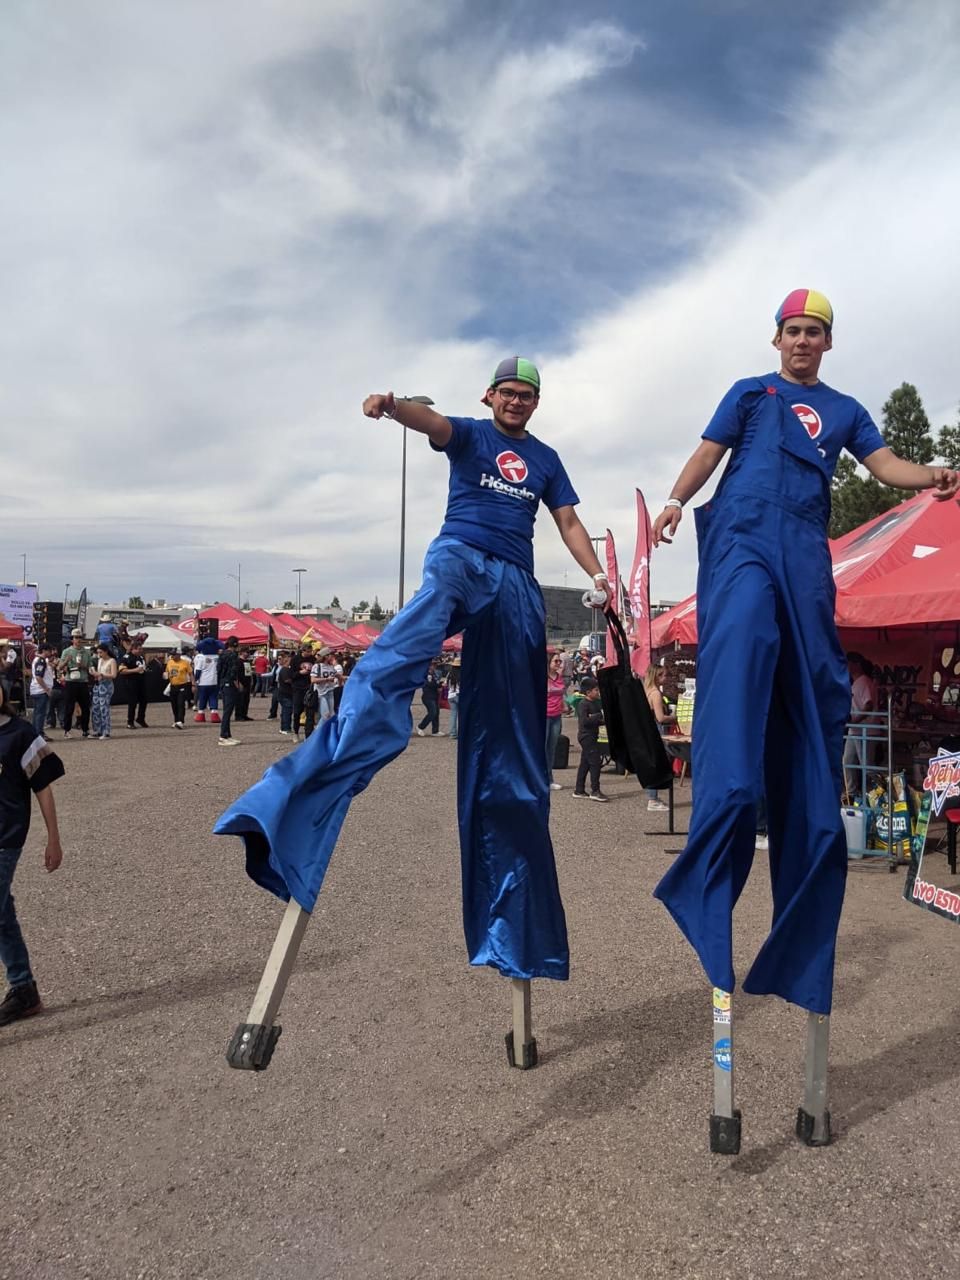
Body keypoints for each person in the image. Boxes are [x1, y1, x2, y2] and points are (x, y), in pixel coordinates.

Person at [215, 356, 610, 985]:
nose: (517, 402)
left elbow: (567, 521)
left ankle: (511, 891)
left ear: (536, 404)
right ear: (490, 396)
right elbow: (434, 424)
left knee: (512, 730)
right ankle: (348, 742)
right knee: (403, 647)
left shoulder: (546, 458)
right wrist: (394, 406)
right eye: (508, 393)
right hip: (461, 556)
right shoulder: (473, 434)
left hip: (514, 579)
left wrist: (595, 573)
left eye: (527, 396)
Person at [651, 288, 960, 1016]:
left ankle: (795, 791)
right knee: (750, 631)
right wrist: (672, 500)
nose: (802, 341)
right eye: (793, 330)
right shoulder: (751, 394)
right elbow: (707, 452)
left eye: (814, 332)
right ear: (777, 339)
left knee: (816, 677)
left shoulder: (846, 409)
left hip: (805, 548)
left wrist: (935, 475)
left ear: (827, 342)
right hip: (745, 537)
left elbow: (885, 466)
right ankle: (731, 777)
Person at [0, 679, 65, 1027]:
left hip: (4, 838)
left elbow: (43, 788)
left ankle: (23, 989)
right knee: (2, 916)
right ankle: (24, 990)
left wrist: (53, 838)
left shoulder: (20, 734)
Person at [842, 652, 878, 797]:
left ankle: (875, 794)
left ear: (856, 664)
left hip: (865, 730)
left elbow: (868, 705)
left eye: (849, 663)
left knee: (867, 765)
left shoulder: (864, 682)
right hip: (856, 730)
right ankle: (851, 792)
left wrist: (854, 720)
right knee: (847, 761)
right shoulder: (857, 682)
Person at [643, 664, 675, 811]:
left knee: (651, 763)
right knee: (657, 762)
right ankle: (653, 799)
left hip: (647, 728)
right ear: (657, 676)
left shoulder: (645, 690)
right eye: (663, 675)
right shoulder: (655, 693)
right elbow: (660, 718)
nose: (666, 678)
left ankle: (653, 796)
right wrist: (674, 717)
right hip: (656, 729)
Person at [572, 677, 608, 801]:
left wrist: (603, 720)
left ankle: (579, 789)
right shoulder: (583, 704)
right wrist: (599, 715)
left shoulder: (594, 704)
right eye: (596, 690)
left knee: (585, 764)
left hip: (593, 735)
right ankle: (595, 790)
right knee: (595, 763)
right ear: (588, 692)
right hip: (586, 737)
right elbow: (585, 721)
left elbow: (596, 721)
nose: (598, 693)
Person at [58, 628, 93, 739]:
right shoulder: (66, 651)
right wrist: (67, 661)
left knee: (85, 707)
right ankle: (67, 731)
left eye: (80, 637)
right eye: (76, 637)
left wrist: (82, 665)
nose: (78, 640)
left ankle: (85, 730)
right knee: (69, 707)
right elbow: (59, 667)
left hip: (83, 681)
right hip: (71, 681)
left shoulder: (86, 652)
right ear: (72, 639)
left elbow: (90, 667)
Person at [216, 637, 243, 746]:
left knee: (227, 709)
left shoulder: (222, 654)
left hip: (223, 683)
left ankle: (227, 735)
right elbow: (233, 672)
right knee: (228, 710)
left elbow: (218, 670)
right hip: (230, 684)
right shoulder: (233, 655)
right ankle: (223, 735)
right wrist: (237, 683)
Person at [545, 653, 566, 790]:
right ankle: (539, 779)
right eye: (556, 661)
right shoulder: (543, 678)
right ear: (549, 663)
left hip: (557, 716)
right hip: (545, 716)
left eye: (560, 661)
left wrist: (564, 705)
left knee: (551, 749)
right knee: (542, 748)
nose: (559, 663)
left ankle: (549, 779)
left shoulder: (560, 678)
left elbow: (561, 694)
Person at [117, 642, 148, 730]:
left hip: (141, 682)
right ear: (133, 649)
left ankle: (140, 718)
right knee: (132, 702)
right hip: (131, 682)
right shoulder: (126, 657)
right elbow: (122, 671)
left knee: (144, 701)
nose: (140, 651)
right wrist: (135, 670)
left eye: (141, 649)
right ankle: (130, 722)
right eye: (139, 649)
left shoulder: (141, 657)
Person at [289, 645, 316, 741]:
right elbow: (291, 675)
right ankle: (295, 732)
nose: (310, 653)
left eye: (311, 651)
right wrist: (300, 673)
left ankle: (307, 734)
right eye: (308, 651)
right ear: (303, 651)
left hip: (309, 688)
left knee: (309, 712)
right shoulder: (295, 659)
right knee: (297, 712)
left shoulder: (313, 659)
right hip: (298, 688)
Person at [29, 644, 56, 738]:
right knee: (40, 713)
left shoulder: (40, 660)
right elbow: (38, 677)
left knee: (37, 712)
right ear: (44, 651)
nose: (51, 653)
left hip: (37, 690)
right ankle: (39, 733)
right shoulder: (41, 661)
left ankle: (35, 732)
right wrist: (46, 689)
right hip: (40, 690)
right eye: (49, 651)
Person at [91, 644, 117, 740]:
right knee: (95, 707)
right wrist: (95, 674)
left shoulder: (112, 661)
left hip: (106, 686)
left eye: (100, 652)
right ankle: (98, 729)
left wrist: (102, 674)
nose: (99, 654)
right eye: (98, 652)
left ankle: (106, 731)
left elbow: (114, 675)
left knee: (104, 708)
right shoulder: (100, 660)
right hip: (98, 685)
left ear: (106, 651)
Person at [193, 638, 221, 723]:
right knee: (213, 697)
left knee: (202, 697)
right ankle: (214, 714)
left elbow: (198, 671)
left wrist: (195, 679)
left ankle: (201, 714)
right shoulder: (217, 658)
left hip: (203, 682)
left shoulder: (201, 658)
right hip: (215, 681)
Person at [164, 649, 193, 729]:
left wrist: (193, 684)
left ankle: (180, 721)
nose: (172, 656)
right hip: (173, 685)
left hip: (182, 685)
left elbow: (190, 674)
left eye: (174, 655)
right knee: (174, 704)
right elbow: (166, 671)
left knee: (180, 703)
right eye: (171, 655)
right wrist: (165, 675)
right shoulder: (170, 662)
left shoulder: (185, 663)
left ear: (179, 655)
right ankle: (176, 720)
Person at [415, 660, 442, 736]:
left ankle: (435, 730)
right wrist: (439, 686)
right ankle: (420, 726)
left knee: (436, 713)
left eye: (435, 665)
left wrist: (440, 684)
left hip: (434, 695)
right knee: (432, 712)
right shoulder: (427, 674)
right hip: (428, 696)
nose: (434, 666)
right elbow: (430, 684)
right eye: (433, 665)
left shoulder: (433, 674)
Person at [275, 652, 294, 735]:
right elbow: (287, 680)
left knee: (285, 711)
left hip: (285, 693)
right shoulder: (285, 670)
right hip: (285, 694)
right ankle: (286, 728)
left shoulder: (286, 669)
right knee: (287, 711)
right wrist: (294, 681)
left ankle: (284, 727)